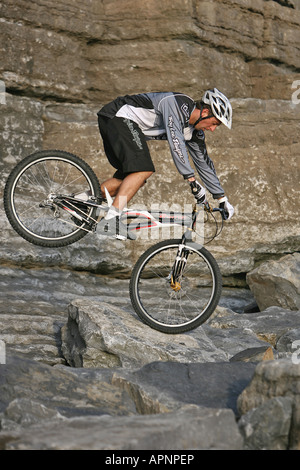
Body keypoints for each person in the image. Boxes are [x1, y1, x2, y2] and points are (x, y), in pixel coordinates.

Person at [96, 87, 234, 240]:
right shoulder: (178, 104)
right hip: (119, 116)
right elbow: (176, 142)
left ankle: (83, 201)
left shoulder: (194, 133)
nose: (213, 129)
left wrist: (222, 199)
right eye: (214, 123)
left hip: (119, 124)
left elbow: (204, 164)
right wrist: (191, 180)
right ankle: (111, 220)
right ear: (206, 112)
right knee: (143, 170)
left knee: (132, 181)